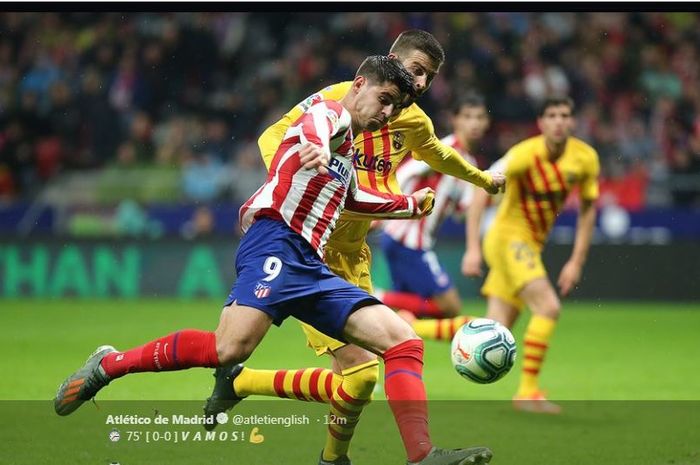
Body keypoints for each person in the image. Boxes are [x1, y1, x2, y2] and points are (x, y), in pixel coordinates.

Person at [54, 55, 493, 465]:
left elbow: (354, 197)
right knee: (227, 348)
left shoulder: (347, 150)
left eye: (395, 108)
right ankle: (108, 365)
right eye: (384, 100)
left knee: (403, 342)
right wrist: (318, 148)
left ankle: (422, 455)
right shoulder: (329, 114)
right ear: (360, 85)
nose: (387, 114)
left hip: (310, 265)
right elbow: (315, 129)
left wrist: (406, 206)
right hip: (275, 244)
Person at [203, 30, 505, 465]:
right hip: (309, 249)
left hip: (355, 251)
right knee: (362, 372)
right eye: (417, 71)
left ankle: (252, 392)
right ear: (390, 60)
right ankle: (322, 442)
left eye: (429, 78)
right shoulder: (341, 99)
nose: (420, 84)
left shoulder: (413, 120)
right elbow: (273, 136)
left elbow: (437, 153)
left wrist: (481, 179)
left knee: (360, 381)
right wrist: (301, 175)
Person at [462, 96, 600, 415]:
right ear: (541, 122)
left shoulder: (585, 159)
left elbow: (588, 210)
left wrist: (576, 261)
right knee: (548, 308)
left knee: (495, 327)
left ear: (572, 121)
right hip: (507, 238)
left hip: (529, 245)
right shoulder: (523, 155)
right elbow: (481, 186)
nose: (558, 121)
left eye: (564, 115)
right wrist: (471, 247)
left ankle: (414, 325)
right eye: (551, 115)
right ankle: (527, 392)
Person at [376, 92, 491, 341]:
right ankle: (374, 297)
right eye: (468, 117)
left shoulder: (468, 162)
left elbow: (464, 209)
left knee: (403, 319)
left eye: (480, 117)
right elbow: (405, 172)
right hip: (407, 240)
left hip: (407, 241)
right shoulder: (443, 149)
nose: (474, 123)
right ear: (455, 120)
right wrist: (385, 208)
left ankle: (379, 373)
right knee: (449, 306)